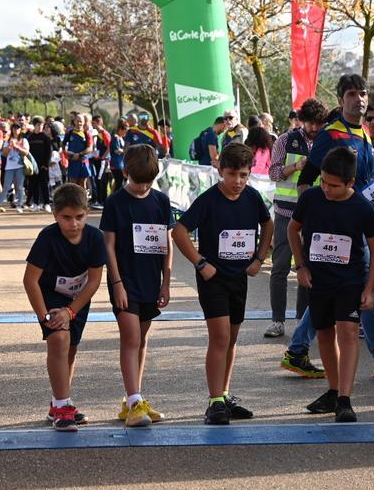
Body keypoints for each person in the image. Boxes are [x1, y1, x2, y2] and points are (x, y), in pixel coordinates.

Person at [285, 74, 374, 381]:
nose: (359, 99)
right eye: (352, 94)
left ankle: (298, 350)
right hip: (340, 229)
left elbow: (365, 181)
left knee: (344, 290)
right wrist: (316, 218)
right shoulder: (331, 134)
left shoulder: (365, 133)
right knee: (364, 288)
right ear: (341, 100)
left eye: (363, 93)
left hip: (362, 222)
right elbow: (305, 180)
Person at [172, 143, 272, 425]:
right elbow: (179, 231)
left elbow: (269, 224)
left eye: (243, 175)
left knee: (232, 338)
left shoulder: (252, 197)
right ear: (219, 170)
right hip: (213, 278)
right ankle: (214, 401)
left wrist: (259, 258)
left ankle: (225, 395)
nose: (237, 181)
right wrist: (200, 263)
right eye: (231, 174)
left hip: (239, 277)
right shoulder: (208, 200)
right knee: (220, 338)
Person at [290, 147, 374, 423]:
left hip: (351, 280)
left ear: (350, 183)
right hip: (319, 280)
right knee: (325, 334)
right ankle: (333, 389)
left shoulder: (363, 208)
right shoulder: (310, 198)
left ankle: (344, 398)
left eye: (333, 185)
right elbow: (292, 229)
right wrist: (301, 266)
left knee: (349, 333)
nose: (326, 189)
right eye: (323, 182)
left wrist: (369, 288)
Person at [101, 145, 173, 427]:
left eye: (149, 181)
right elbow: (108, 243)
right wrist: (116, 282)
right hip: (124, 278)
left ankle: (134, 398)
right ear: (126, 172)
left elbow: (167, 244)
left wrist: (166, 282)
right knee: (130, 338)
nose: (143, 186)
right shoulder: (115, 202)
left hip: (150, 280)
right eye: (138, 180)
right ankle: (134, 400)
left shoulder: (161, 202)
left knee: (142, 339)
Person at [25, 183, 105, 432]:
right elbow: (30, 280)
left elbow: (94, 280)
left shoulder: (94, 238)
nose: (74, 224)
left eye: (79, 217)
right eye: (66, 218)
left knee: (70, 349)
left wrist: (71, 311)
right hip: (49, 296)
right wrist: (44, 315)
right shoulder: (47, 238)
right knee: (58, 340)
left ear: (87, 213)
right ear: (55, 215)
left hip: (78, 299)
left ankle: (61, 401)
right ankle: (62, 408)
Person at [267, 97, 327, 343]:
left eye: (319, 124)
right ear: (302, 121)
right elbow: (273, 172)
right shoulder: (285, 140)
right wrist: (295, 167)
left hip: (314, 215)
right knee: (280, 267)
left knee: (308, 268)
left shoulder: (326, 142)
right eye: (310, 123)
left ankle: (303, 321)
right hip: (285, 212)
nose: (314, 128)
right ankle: (277, 320)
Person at [0, 124, 29, 211]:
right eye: (14, 128)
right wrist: (9, 147)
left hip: (20, 166)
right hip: (9, 167)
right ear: (12, 130)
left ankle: (20, 205)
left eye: (17, 128)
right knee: (6, 187)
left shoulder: (24, 140)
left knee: (19, 186)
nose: (16, 130)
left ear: (20, 130)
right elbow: (4, 154)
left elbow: (26, 153)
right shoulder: (7, 141)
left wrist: (17, 147)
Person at [26, 117, 53, 211]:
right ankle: (36, 203)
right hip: (33, 166)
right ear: (34, 126)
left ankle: (46, 204)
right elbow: (27, 152)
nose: (40, 127)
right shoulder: (30, 137)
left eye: (41, 125)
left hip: (43, 166)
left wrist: (46, 164)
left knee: (44, 184)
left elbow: (49, 152)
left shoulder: (46, 137)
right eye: (38, 125)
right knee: (33, 184)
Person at [63, 113, 93, 192]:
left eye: (81, 121)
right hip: (73, 162)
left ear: (84, 122)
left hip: (83, 161)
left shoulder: (87, 134)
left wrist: (79, 154)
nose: (79, 123)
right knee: (73, 184)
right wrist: (67, 153)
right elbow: (63, 145)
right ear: (74, 121)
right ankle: (73, 202)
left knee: (82, 183)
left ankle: (82, 202)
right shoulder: (69, 133)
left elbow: (90, 148)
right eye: (78, 121)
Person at [109, 120, 127, 194]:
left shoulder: (121, 138)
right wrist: (125, 150)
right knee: (119, 182)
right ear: (120, 130)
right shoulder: (115, 138)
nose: (125, 133)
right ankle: (115, 198)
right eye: (124, 131)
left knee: (119, 181)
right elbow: (116, 150)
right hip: (116, 164)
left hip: (120, 164)